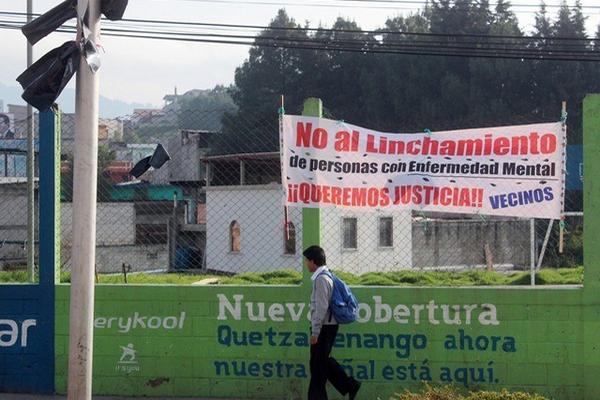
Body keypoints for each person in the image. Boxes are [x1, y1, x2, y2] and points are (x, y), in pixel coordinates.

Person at [304, 245, 361, 400]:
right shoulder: (326, 275)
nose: (306, 264)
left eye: (307, 261)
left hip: (324, 327)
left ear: (313, 262)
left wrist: (315, 332)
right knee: (320, 364)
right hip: (328, 327)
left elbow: (321, 308)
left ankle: (345, 386)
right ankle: (349, 385)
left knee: (317, 368)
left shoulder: (321, 279)